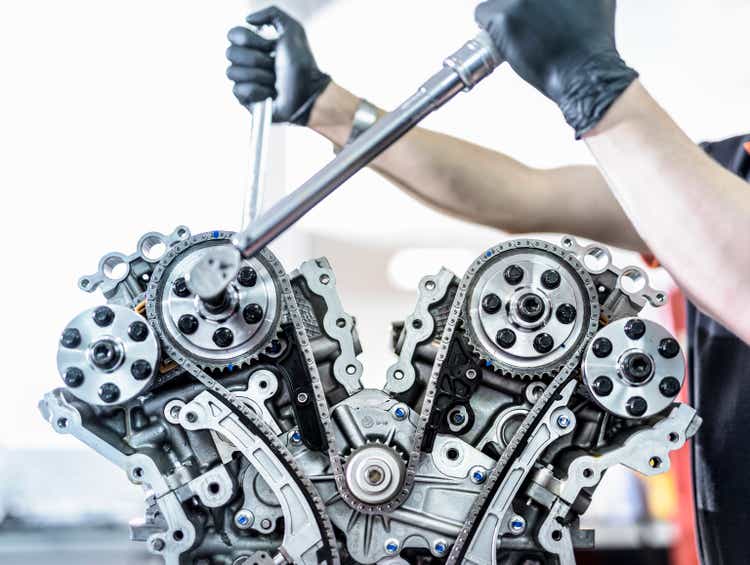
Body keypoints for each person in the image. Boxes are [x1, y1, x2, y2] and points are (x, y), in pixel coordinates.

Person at [225, 3, 750, 563]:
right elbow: (514, 192)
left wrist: (597, 85)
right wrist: (327, 107)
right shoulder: (725, 172)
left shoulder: (716, 201)